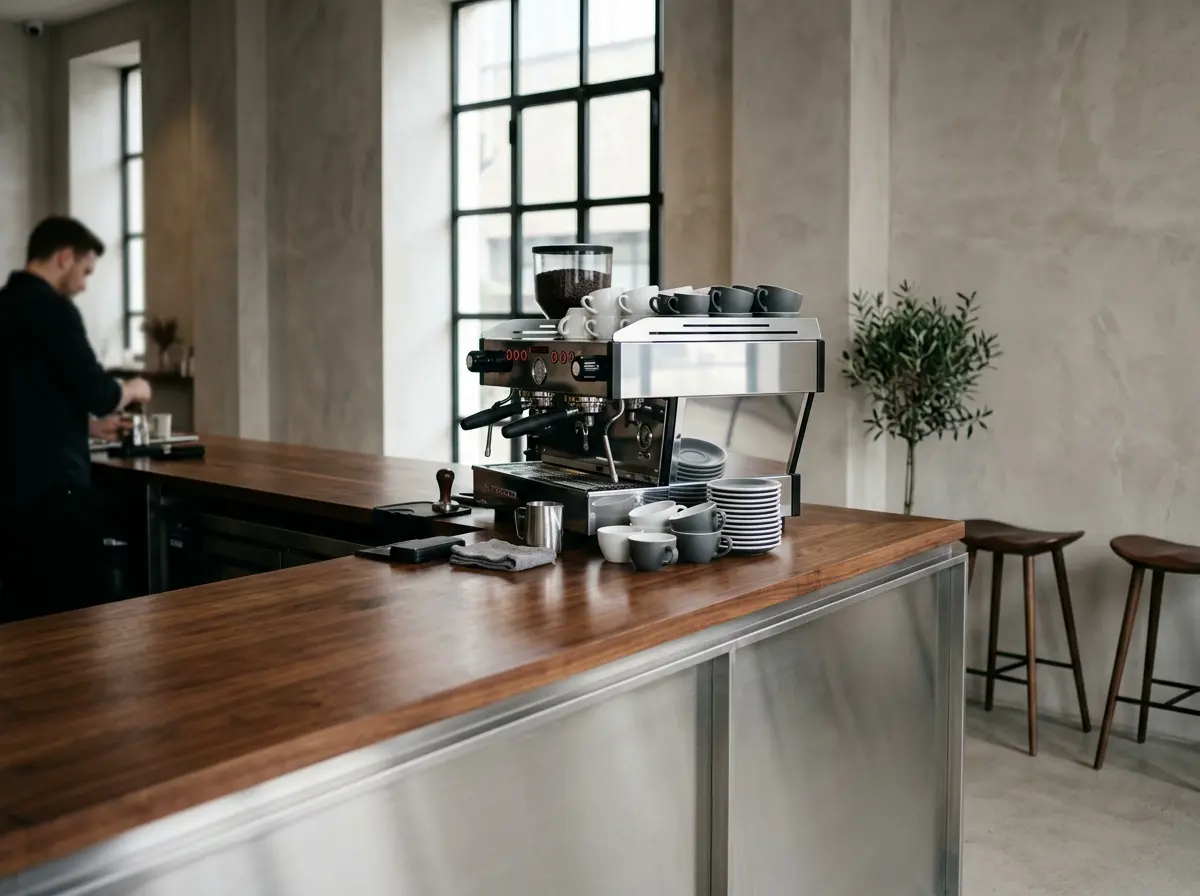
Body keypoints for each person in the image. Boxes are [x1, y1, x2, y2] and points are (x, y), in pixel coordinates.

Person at [0, 216, 152, 624]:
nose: (85, 284)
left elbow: (23, 396)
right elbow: (97, 392)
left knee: (19, 622)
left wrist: (84, 427)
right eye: (85, 271)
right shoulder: (54, 311)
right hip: (55, 495)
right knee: (74, 625)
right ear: (64, 257)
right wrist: (134, 388)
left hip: (9, 498)